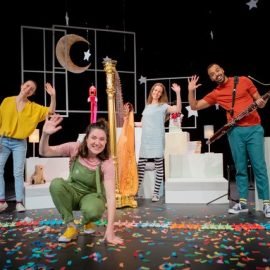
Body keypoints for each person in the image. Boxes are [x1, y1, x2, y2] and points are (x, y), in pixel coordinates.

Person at [188, 63, 270, 218]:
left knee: (259, 167)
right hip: (234, 132)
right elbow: (194, 106)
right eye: (212, 74)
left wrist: (261, 102)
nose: (216, 74)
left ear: (223, 70)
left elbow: (261, 102)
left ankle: (267, 204)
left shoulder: (244, 80)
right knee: (240, 168)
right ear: (211, 79)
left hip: (254, 129)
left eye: (217, 70)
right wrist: (191, 90)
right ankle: (243, 203)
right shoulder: (216, 93)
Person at [39, 115, 123, 244]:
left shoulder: (107, 162)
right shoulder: (75, 148)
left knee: (93, 210)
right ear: (87, 138)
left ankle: (87, 220)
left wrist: (110, 231)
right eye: (93, 137)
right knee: (56, 184)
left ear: (106, 142)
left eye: (102, 139)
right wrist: (45, 135)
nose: (97, 142)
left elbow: (111, 197)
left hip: (91, 196)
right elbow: (45, 152)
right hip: (72, 192)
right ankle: (71, 226)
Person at [0, 80, 56, 213]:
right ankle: (2, 201)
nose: (28, 89)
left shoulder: (34, 108)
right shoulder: (7, 101)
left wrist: (52, 96)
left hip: (19, 143)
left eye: (32, 89)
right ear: (21, 86)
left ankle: (19, 202)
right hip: (3, 140)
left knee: (18, 173)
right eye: (27, 86)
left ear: (32, 93)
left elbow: (50, 111)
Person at [135, 82, 182, 202]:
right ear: (152, 91)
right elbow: (142, 123)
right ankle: (135, 192)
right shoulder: (147, 106)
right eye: (155, 90)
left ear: (162, 94)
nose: (157, 93)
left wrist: (178, 93)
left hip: (157, 139)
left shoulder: (164, 106)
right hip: (146, 140)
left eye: (159, 91)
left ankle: (155, 193)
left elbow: (177, 109)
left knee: (159, 167)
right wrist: (129, 122)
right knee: (140, 167)